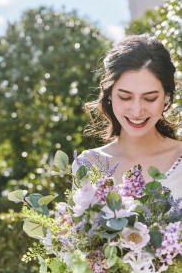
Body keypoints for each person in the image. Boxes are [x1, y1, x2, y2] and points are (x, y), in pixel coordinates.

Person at [72, 34, 182, 199]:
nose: (137, 111)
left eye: (150, 98)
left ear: (167, 96)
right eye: (125, 97)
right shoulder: (87, 164)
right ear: (109, 95)